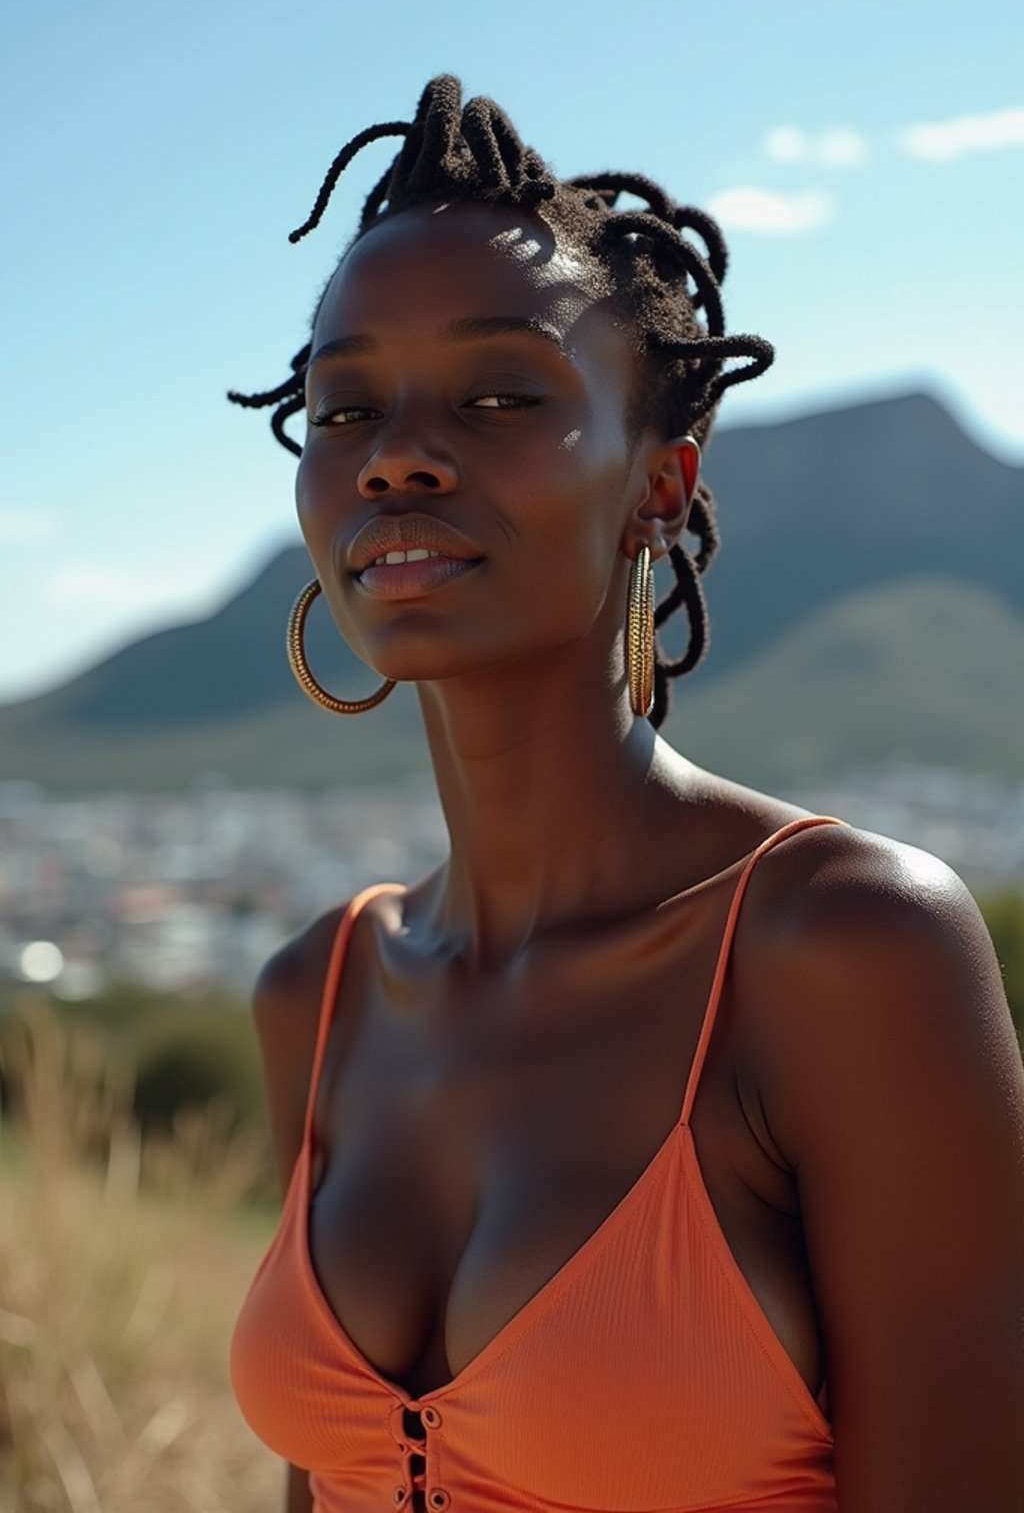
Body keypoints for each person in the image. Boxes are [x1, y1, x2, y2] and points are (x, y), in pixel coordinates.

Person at [227, 76, 1024, 1513]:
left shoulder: (849, 952)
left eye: (497, 393)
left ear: (662, 487)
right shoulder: (321, 992)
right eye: (346, 406)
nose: (397, 452)